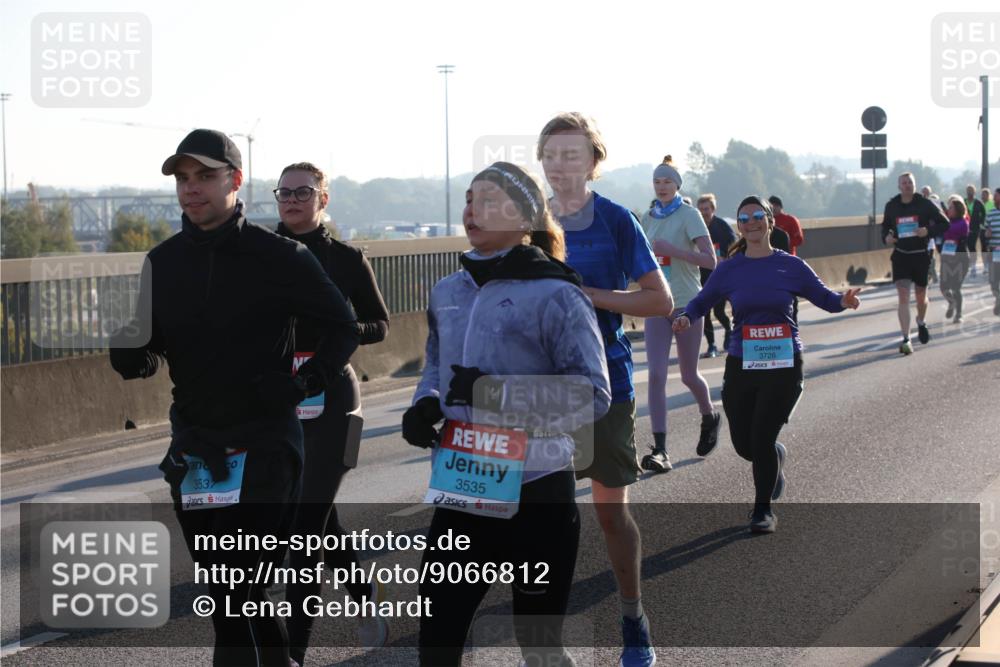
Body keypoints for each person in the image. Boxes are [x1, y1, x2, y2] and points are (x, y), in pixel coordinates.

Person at [109, 129, 360, 666]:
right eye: (182, 178)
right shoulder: (163, 261)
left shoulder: (280, 256)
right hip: (198, 449)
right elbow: (150, 352)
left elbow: (344, 328)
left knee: (230, 600)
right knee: (234, 604)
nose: (191, 188)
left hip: (267, 445)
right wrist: (131, 352)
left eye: (205, 176)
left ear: (236, 180)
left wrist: (301, 385)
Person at [402, 161, 612, 666]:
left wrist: (496, 393)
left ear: (524, 217)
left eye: (491, 201)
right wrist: (425, 401)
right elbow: (435, 364)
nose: (474, 211)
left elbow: (593, 394)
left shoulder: (558, 293)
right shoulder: (447, 291)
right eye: (471, 199)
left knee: (538, 645)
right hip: (466, 483)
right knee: (438, 634)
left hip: (538, 482)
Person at [537, 112, 672, 667]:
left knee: (609, 513)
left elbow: (659, 300)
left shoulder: (615, 220)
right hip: (540, 388)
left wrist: (589, 296)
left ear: (593, 161)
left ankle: (632, 616)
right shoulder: (525, 221)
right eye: (550, 154)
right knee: (542, 515)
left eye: (571, 154)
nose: (559, 164)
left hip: (604, 382)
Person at [672, 196, 861, 533]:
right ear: (739, 228)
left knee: (759, 440)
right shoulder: (729, 268)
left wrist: (843, 301)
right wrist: (687, 316)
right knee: (746, 445)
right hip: (742, 365)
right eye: (744, 219)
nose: (751, 223)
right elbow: (703, 299)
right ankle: (775, 455)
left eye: (758, 216)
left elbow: (825, 298)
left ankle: (762, 511)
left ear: (770, 221)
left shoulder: (790, 266)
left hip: (784, 366)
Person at [273, 162, 391, 665]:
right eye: (284, 192)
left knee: (303, 533)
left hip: (333, 399)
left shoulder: (345, 258)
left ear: (324, 199)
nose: (292, 200)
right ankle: (364, 600)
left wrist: (336, 339)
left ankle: (293, 654)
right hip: (277, 400)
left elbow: (379, 324)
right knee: (318, 516)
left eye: (303, 192)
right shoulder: (258, 255)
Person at [638, 156, 720, 475]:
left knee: (688, 375)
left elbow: (710, 261)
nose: (661, 187)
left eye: (667, 182)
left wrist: (674, 251)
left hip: (687, 304)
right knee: (656, 374)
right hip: (656, 304)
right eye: (657, 182)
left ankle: (709, 416)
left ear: (677, 185)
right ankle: (660, 449)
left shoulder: (690, 215)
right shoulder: (647, 216)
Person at [881, 172, 949, 355]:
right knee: (903, 296)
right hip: (901, 255)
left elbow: (945, 223)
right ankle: (906, 338)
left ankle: (921, 321)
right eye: (904, 182)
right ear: (899, 186)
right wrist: (886, 237)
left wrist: (927, 231)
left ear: (914, 184)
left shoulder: (925, 204)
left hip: (921, 255)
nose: (907, 185)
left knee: (921, 297)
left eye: (910, 182)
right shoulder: (892, 206)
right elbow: (885, 227)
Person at [696, 194, 737, 358]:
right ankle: (711, 345)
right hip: (701, 276)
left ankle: (729, 331)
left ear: (713, 209)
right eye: (701, 210)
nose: (704, 213)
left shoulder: (722, 226)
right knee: (704, 311)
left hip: (720, 275)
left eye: (706, 209)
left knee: (719, 311)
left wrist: (726, 259)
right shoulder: (695, 227)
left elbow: (735, 245)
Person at [938, 196, 971, 323]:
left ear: (957, 210)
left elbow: (950, 230)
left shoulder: (963, 223)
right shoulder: (947, 221)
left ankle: (959, 314)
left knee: (956, 287)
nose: (948, 209)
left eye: (950, 208)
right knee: (943, 286)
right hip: (947, 257)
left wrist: (942, 222)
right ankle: (951, 302)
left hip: (960, 259)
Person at [965, 184, 987, 278]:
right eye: (968, 191)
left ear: (974, 192)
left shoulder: (978, 202)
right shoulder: (963, 201)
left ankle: (973, 267)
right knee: (968, 246)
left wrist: (981, 222)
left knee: (972, 245)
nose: (970, 192)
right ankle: (970, 264)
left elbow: (984, 213)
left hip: (975, 228)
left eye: (971, 191)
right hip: (965, 228)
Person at [985, 188, 1000, 316]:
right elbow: (986, 230)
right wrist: (987, 233)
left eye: (996, 196)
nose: (994, 198)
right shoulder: (990, 213)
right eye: (994, 196)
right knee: (993, 280)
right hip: (994, 251)